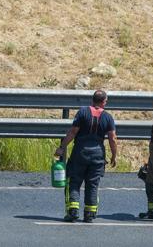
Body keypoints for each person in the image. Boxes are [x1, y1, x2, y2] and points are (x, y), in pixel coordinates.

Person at [54, 90, 118, 223]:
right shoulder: (108, 117)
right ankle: (89, 214)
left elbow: (72, 132)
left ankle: (72, 211)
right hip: (98, 156)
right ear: (104, 102)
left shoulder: (82, 112)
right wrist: (114, 156)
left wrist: (62, 147)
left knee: (74, 182)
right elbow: (112, 138)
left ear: (92, 100)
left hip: (80, 153)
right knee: (93, 184)